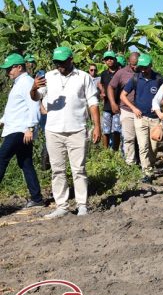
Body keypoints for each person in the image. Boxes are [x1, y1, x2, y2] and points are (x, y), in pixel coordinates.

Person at [30, 46, 101, 218]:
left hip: (76, 129)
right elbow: (36, 96)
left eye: (62, 62)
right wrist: (33, 88)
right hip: (53, 130)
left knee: (79, 169)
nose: (59, 66)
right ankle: (61, 205)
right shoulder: (48, 77)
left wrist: (97, 125)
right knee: (57, 170)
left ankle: (82, 205)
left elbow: (93, 102)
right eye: (56, 63)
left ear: (71, 60)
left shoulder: (83, 77)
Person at [0, 53, 43, 208]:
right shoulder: (19, 83)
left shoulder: (26, 83)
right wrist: (2, 121)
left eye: (10, 69)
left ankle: (37, 198)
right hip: (18, 129)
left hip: (20, 130)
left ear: (19, 67)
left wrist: (30, 128)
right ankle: (37, 198)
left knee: (1, 159)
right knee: (25, 163)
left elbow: (34, 106)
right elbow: (15, 109)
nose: (7, 72)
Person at [120, 53, 163, 184]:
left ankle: (150, 165)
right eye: (141, 67)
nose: (143, 70)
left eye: (146, 67)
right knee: (143, 145)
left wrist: (158, 106)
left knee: (154, 147)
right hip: (140, 118)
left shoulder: (158, 79)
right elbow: (123, 95)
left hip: (155, 119)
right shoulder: (135, 78)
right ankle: (147, 172)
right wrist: (133, 108)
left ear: (151, 66)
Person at [108, 51, 140, 165]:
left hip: (142, 111)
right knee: (128, 138)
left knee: (142, 139)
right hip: (126, 109)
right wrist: (112, 102)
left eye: (137, 64)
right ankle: (130, 163)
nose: (135, 67)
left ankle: (143, 163)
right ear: (129, 63)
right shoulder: (121, 73)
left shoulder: (145, 70)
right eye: (133, 65)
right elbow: (111, 87)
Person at [99, 51, 122, 151]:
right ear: (104, 61)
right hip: (107, 106)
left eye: (111, 58)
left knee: (116, 130)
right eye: (107, 59)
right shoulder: (104, 74)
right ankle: (105, 151)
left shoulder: (121, 73)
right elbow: (101, 84)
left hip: (119, 106)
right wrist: (102, 92)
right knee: (106, 130)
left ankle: (115, 150)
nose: (109, 60)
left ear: (115, 60)